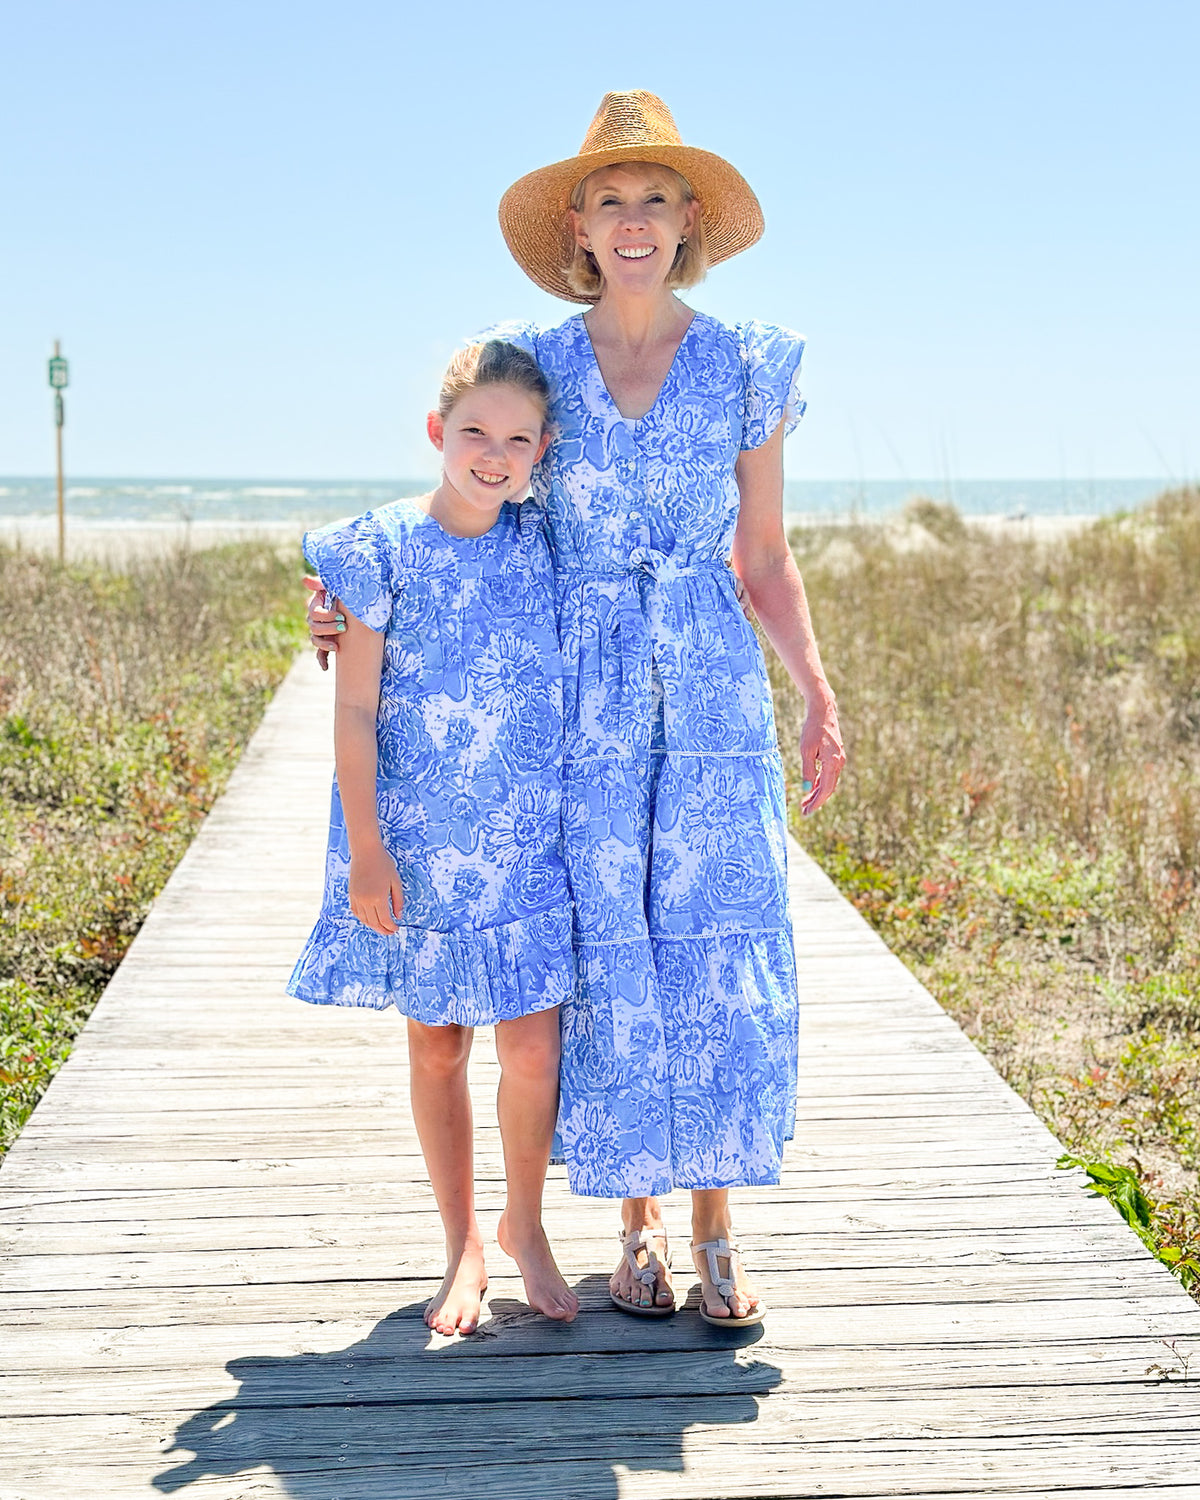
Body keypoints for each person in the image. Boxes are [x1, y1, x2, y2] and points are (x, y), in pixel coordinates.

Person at [309, 91, 844, 1327]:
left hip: (710, 688)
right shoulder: (538, 361)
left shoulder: (748, 364)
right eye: (611, 199)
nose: (635, 219)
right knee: (611, 948)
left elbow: (763, 555)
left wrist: (815, 685)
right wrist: (338, 599)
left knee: (711, 941)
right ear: (580, 225)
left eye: (656, 196)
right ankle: (633, 1224)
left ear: (690, 217)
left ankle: (716, 1223)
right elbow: (465, 490)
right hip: (577, 691)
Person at [289, 340, 579, 1335]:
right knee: (439, 1045)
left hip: (526, 840)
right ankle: (458, 1245)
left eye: (515, 440)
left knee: (534, 1049)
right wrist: (367, 848)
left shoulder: (546, 541)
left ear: (542, 450)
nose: (493, 456)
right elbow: (356, 712)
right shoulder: (380, 550)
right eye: (474, 434)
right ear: (436, 434)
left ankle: (525, 1226)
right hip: (418, 846)